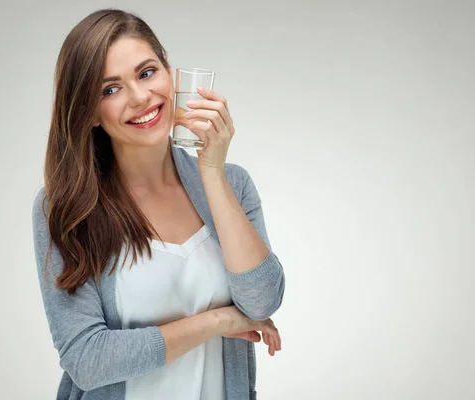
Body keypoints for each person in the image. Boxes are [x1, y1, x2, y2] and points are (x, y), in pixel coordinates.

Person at [31, 8, 285, 400]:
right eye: (110, 89)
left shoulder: (233, 183)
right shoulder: (66, 206)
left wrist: (212, 173)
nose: (140, 97)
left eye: (147, 72)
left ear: (169, 69)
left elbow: (262, 301)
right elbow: (87, 360)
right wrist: (216, 320)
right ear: (90, 112)